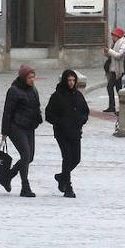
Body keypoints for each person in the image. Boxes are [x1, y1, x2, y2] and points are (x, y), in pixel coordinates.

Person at [44, 69, 89, 198]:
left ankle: (61, 176)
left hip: (75, 132)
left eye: (73, 80)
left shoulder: (78, 95)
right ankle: (68, 186)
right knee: (67, 157)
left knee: (76, 158)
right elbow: (49, 114)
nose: (71, 83)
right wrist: (60, 122)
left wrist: (82, 120)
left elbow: (85, 110)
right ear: (64, 80)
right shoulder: (57, 96)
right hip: (62, 133)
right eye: (69, 80)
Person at [0, 64, 43, 198]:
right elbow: (7, 112)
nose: (32, 80)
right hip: (16, 127)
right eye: (30, 77)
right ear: (23, 78)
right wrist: (4, 132)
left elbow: (36, 106)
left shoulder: (33, 89)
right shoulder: (14, 91)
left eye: (33, 77)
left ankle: (8, 175)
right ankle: (25, 187)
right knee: (25, 154)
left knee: (29, 157)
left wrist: (38, 118)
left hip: (29, 126)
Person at [101, 27, 125, 113]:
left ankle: (115, 106)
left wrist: (109, 51)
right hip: (113, 68)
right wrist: (107, 53)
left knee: (111, 87)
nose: (112, 38)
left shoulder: (124, 44)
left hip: (118, 69)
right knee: (118, 88)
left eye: (114, 36)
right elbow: (112, 56)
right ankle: (116, 106)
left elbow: (119, 55)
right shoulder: (115, 44)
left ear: (118, 36)